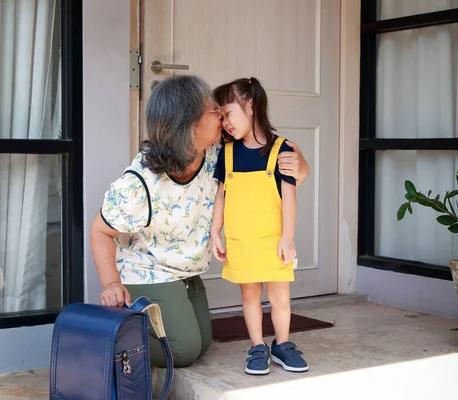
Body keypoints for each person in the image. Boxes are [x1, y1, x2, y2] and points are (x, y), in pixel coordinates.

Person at [90, 75, 309, 368]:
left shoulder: (216, 155)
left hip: (186, 272)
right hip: (149, 271)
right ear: (190, 125)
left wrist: (300, 166)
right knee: (184, 350)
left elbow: (268, 176)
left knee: (203, 340)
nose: (222, 116)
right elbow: (100, 230)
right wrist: (110, 284)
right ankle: (108, 336)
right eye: (214, 110)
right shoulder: (141, 183)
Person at [210, 77, 309, 375]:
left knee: (279, 297)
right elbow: (221, 196)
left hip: (273, 241)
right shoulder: (227, 153)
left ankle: (283, 344)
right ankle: (256, 345)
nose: (225, 123)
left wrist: (288, 238)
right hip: (241, 241)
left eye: (228, 114)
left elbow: (289, 198)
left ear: (251, 105)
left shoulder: (282, 149)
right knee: (249, 295)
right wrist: (216, 231)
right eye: (221, 118)